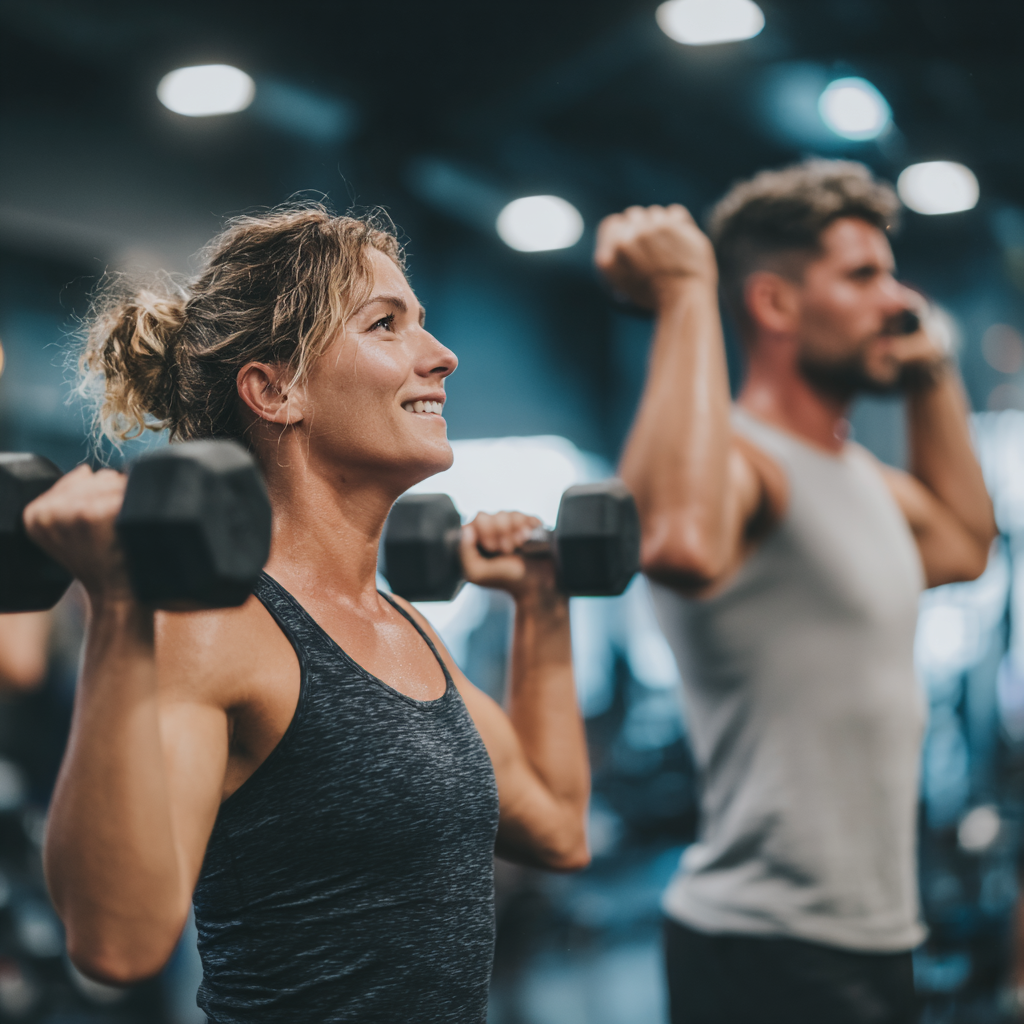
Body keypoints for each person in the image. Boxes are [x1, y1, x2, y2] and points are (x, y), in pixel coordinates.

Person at [26, 205, 591, 1023]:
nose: (442, 356)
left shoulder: (406, 631)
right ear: (276, 388)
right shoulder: (214, 626)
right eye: (386, 325)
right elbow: (114, 944)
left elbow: (561, 831)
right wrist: (120, 607)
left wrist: (543, 606)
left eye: (422, 324)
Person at [596, 160, 997, 1024]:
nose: (898, 300)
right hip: (764, 946)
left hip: (881, 937)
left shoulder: (865, 479)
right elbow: (673, 534)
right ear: (774, 304)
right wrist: (686, 292)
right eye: (863, 276)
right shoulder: (745, 468)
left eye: (890, 274)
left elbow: (966, 546)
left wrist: (930, 369)